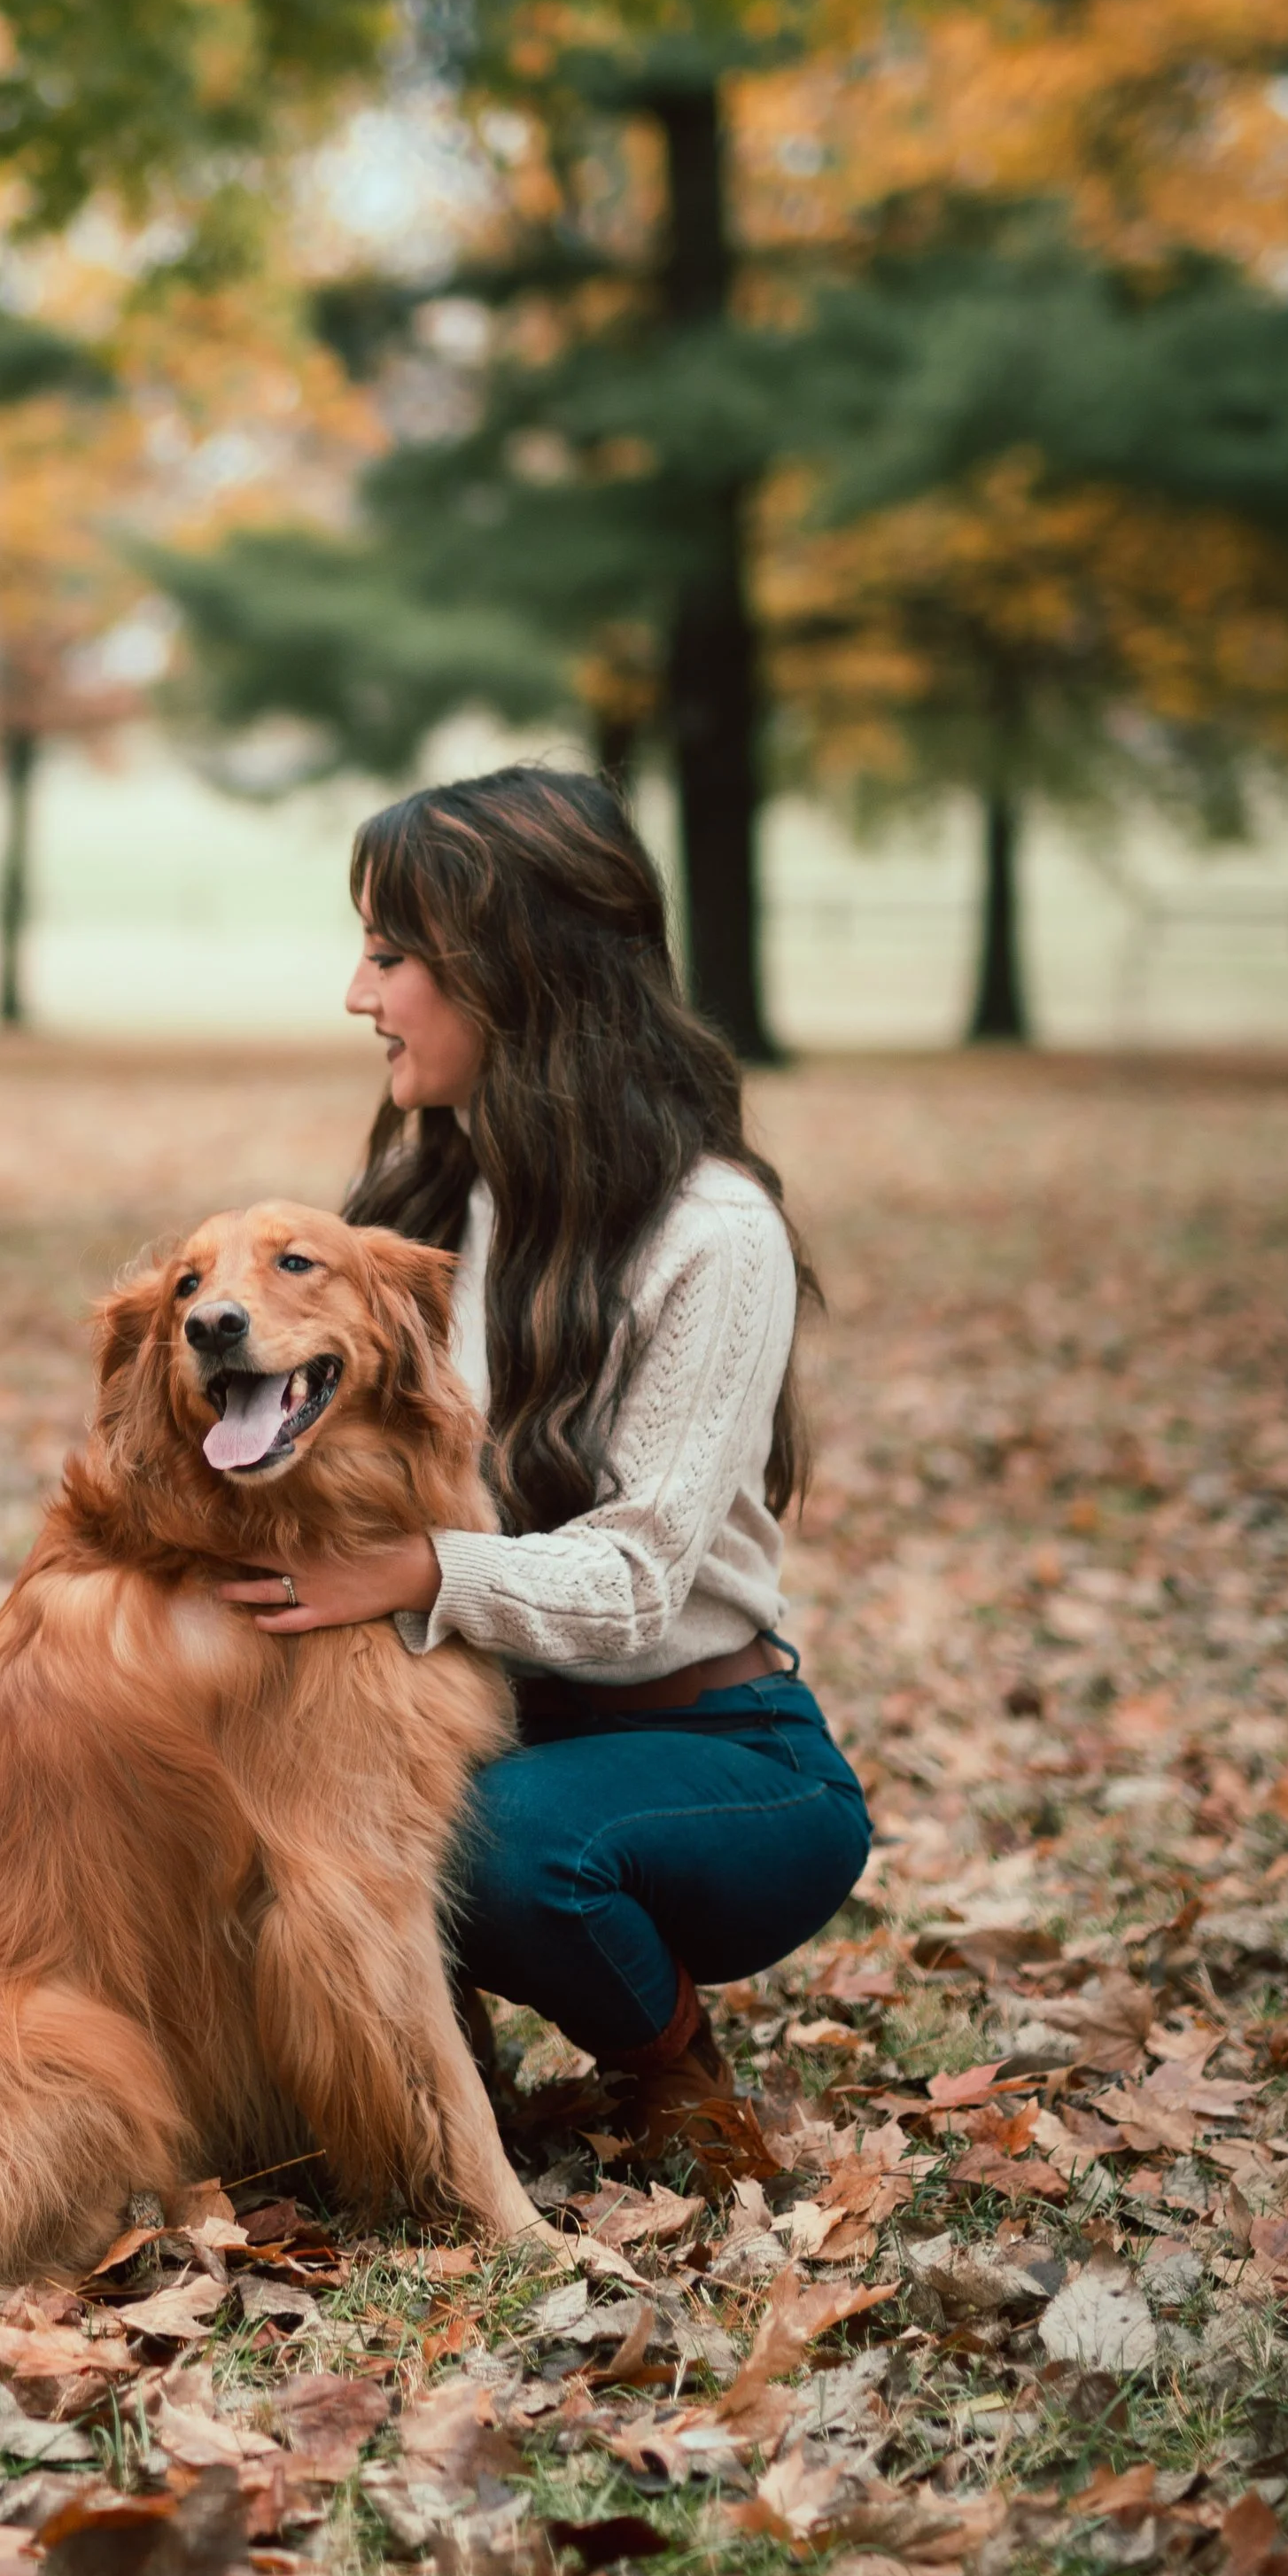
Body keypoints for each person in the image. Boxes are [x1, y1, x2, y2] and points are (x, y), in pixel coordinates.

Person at [221, 765, 871, 2162]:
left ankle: (678, 2068)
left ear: (511, 968)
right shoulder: (421, 1202)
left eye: (391, 956)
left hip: (716, 1748)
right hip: (491, 1723)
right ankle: (418, 2086)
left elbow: (638, 1585)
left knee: (497, 1846)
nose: (358, 994)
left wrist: (416, 1570)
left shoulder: (713, 1232)